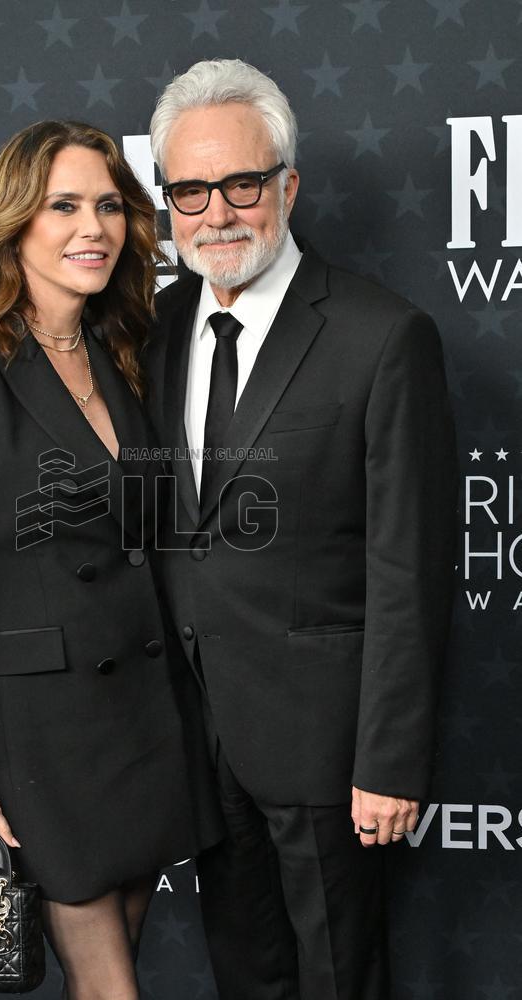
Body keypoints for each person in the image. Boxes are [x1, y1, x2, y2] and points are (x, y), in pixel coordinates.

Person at [0, 120, 221, 1000]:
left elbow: (152, 533)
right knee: (109, 986)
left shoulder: (128, 353)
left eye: (110, 205)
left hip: (146, 716)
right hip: (38, 729)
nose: (94, 228)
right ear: (12, 222)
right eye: (63, 205)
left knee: (118, 966)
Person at [144, 59, 458, 1000]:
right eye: (188, 191)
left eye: (241, 184)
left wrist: (388, 762)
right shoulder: (151, 329)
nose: (216, 213)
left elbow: (409, 568)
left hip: (328, 751)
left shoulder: (381, 335)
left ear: (288, 184)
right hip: (196, 739)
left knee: (338, 979)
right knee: (244, 974)